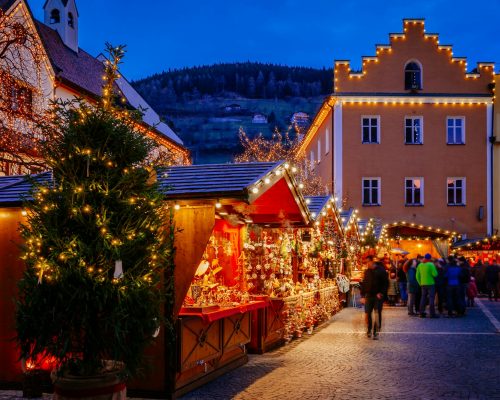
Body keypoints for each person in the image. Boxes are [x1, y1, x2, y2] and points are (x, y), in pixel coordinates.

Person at [360, 256, 389, 340]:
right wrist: (362, 295)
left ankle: (376, 332)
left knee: (377, 313)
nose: (366, 264)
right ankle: (369, 329)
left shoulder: (381, 271)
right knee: (368, 313)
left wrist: (381, 293)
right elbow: (364, 283)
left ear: (372, 262)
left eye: (367, 262)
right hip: (369, 295)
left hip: (378, 296)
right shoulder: (367, 271)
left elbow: (386, 284)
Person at [416, 253, 438, 318]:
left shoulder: (420, 265)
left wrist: (420, 283)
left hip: (423, 284)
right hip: (431, 283)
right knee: (431, 298)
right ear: (430, 258)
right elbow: (435, 274)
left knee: (423, 298)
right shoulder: (431, 264)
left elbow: (417, 276)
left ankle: (421, 313)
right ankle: (432, 313)